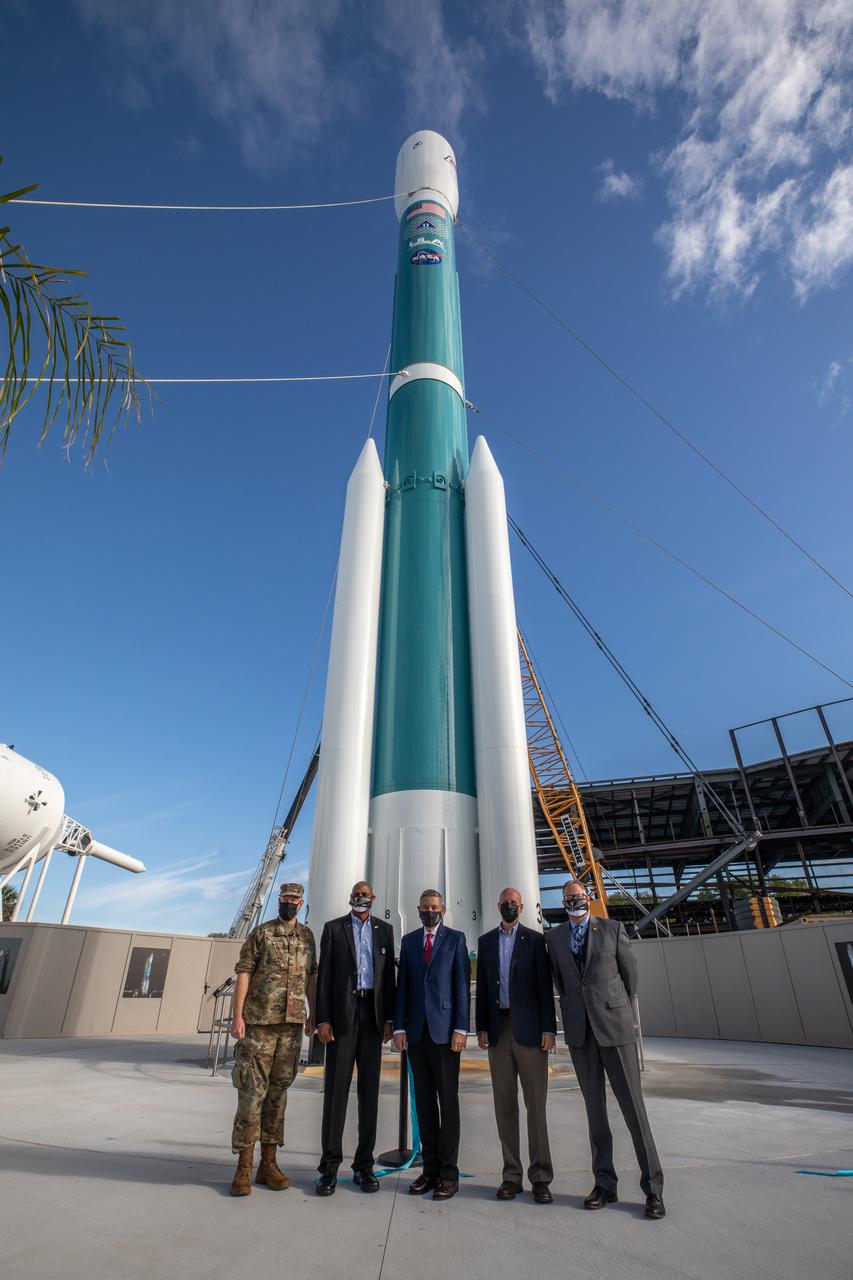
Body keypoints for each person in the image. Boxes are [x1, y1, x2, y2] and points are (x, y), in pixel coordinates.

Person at [549, 879, 665, 1219]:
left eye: (579, 896)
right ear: (563, 902)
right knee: (595, 1113)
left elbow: (630, 978)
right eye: (569, 898)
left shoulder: (612, 930)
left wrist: (617, 1012)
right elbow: (561, 981)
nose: (575, 901)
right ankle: (605, 1183)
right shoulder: (554, 938)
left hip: (614, 1032)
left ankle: (653, 1189)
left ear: (589, 898)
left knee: (634, 1111)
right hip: (580, 1035)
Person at [229, 882, 317, 1197]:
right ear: (279, 900)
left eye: (294, 899)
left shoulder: (307, 937)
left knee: (278, 1095)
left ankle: (268, 1164)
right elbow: (244, 973)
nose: (290, 903)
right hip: (259, 1024)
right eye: (285, 899)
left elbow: (311, 977)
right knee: (252, 1094)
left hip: (291, 1027)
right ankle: (243, 1168)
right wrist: (237, 1016)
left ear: (301, 901)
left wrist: (313, 1012)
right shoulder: (262, 934)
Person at [315, 880, 396, 1196]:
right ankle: (329, 1167)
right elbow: (324, 977)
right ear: (351, 898)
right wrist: (323, 1018)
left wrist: (389, 1018)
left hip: (372, 1019)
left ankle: (364, 1165)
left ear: (374, 899)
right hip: (343, 1019)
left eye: (365, 895)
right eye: (357, 894)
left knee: (369, 1095)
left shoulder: (384, 930)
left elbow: (388, 977)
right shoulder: (333, 929)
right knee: (336, 1093)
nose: (361, 898)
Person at [475, 886, 556, 1204]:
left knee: (536, 1106)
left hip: (532, 1033)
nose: (509, 906)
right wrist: (481, 1026)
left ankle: (541, 1177)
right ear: (498, 906)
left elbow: (543, 987)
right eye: (505, 903)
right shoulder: (486, 942)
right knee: (504, 1105)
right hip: (499, 1030)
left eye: (514, 903)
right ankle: (511, 1175)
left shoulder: (535, 941)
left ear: (521, 907)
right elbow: (482, 987)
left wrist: (549, 1028)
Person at [392, 889, 470, 1201]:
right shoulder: (409, 941)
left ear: (443, 909)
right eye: (425, 908)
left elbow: (462, 985)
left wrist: (461, 1028)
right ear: (418, 909)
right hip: (417, 1035)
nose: (430, 912)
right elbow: (403, 989)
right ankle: (430, 1169)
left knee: (448, 1106)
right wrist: (400, 1027)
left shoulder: (456, 939)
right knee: (423, 1104)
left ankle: (449, 1175)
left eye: (435, 908)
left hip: (445, 1034)